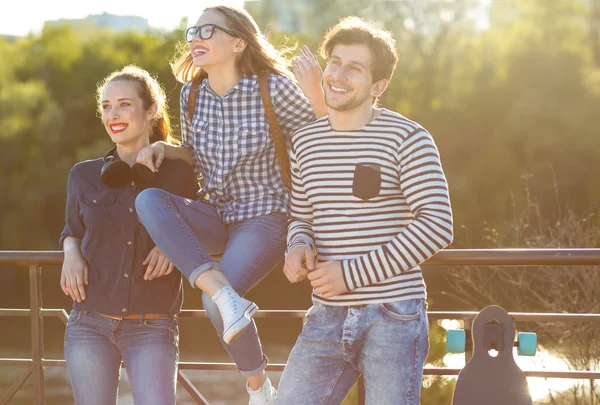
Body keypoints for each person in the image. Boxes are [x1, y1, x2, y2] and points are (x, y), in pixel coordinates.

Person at [133, 5, 326, 404]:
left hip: (266, 215)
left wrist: (319, 95)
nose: (195, 38)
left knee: (212, 299)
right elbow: (195, 155)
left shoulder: (275, 88)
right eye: (192, 31)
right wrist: (164, 150)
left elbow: (322, 140)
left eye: (207, 30)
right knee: (148, 199)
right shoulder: (192, 95)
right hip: (214, 211)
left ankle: (259, 389)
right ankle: (226, 299)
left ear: (238, 43)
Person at [277, 17, 454, 405]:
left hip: (393, 315)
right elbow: (301, 216)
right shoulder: (305, 142)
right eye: (334, 62)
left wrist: (350, 274)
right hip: (325, 315)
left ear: (379, 86)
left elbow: (437, 224)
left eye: (353, 68)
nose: (337, 76)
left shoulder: (408, 138)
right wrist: (297, 246)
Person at [59, 65, 199, 405]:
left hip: (152, 327)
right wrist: (70, 252)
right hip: (88, 322)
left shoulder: (179, 174)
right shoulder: (84, 175)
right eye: (106, 106)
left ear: (151, 110)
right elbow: (72, 230)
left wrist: (174, 244)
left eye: (123, 104)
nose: (113, 114)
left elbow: (207, 226)